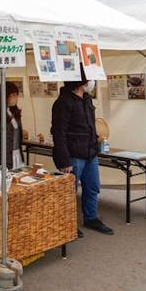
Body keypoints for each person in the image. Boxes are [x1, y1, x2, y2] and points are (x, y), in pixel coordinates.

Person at [51, 64, 113, 236]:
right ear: (80, 80)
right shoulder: (63, 102)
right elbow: (58, 133)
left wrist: (96, 145)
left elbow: (90, 126)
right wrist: (64, 161)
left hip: (90, 153)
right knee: (69, 191)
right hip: (73, 155)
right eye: (89, 77)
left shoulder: (86, 99)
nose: (91, 81)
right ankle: (67, 222)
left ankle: (91, 218)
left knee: (92, 187)